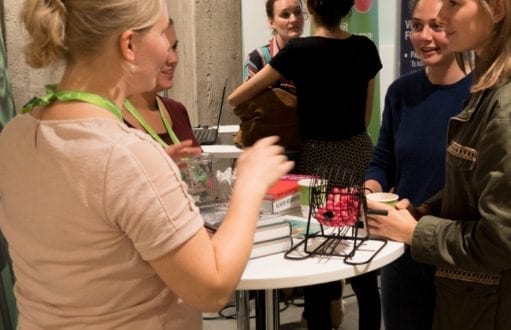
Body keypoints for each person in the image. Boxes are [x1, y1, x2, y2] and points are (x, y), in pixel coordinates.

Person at [0, 0, 293, 328]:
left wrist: (150, 174)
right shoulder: (127, 156)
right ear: (128, 45)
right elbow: (211, 289)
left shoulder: (16, 133)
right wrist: (250, 185)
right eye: (162, 32)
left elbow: (80, 214)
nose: (169, 49)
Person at [366, 0, 511, 328]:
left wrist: (416, 231)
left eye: (454, 3)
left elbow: (503, 239)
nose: (441, 17)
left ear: (497, 10)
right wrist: (425, 212)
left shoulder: (509, 100)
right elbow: (481, 189)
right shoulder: (508, 86)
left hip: (503, 306)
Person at [228, 1, 382, 329]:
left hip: (317, 163)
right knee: (363, 258)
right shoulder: (365, 48)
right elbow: (366, 116)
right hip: (357, 156)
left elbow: (236, 98)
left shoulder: (298, 51)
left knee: (319, 252)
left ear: (310, 7)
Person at [363, 0, 471, 328]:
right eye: (416, 26)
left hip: (455, 251)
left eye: (436, 26)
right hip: (402, 253)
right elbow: (383, 161)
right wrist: (370, 189)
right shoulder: (401, 92)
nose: (425, 37)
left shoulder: (481, 96)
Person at [124, 19, 202, 162]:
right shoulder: (111, 121)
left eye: (174, 47)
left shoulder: (177, 110)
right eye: (162, 49)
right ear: (129, 49)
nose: (174, 59)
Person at [244, 0, 305, 90]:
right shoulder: (258, 58)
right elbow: (248, 102)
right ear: (271, 22)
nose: (294, 19)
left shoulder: (313, 55)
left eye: (298, 12)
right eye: (285, 14)